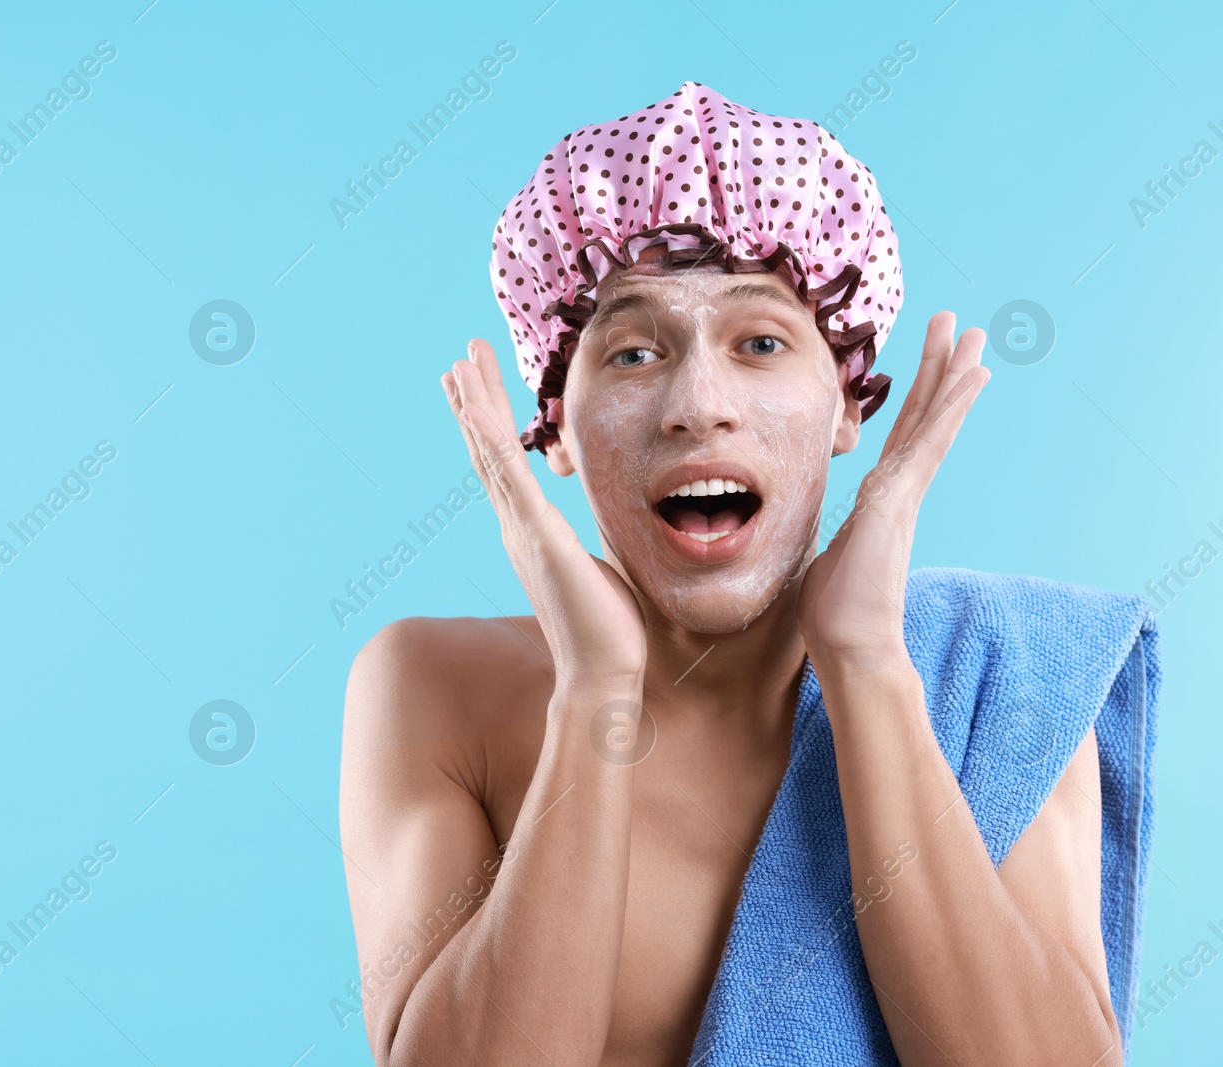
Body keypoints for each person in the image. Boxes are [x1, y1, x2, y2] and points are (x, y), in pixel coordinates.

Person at [338, 82, 1156, 1066]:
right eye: (634, 350)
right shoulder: (435, 686)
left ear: (847, 403)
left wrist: (866, 668)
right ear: (551, 423)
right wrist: (595, 690)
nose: (697, 402)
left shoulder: (1001, 677)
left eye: (760, 342)